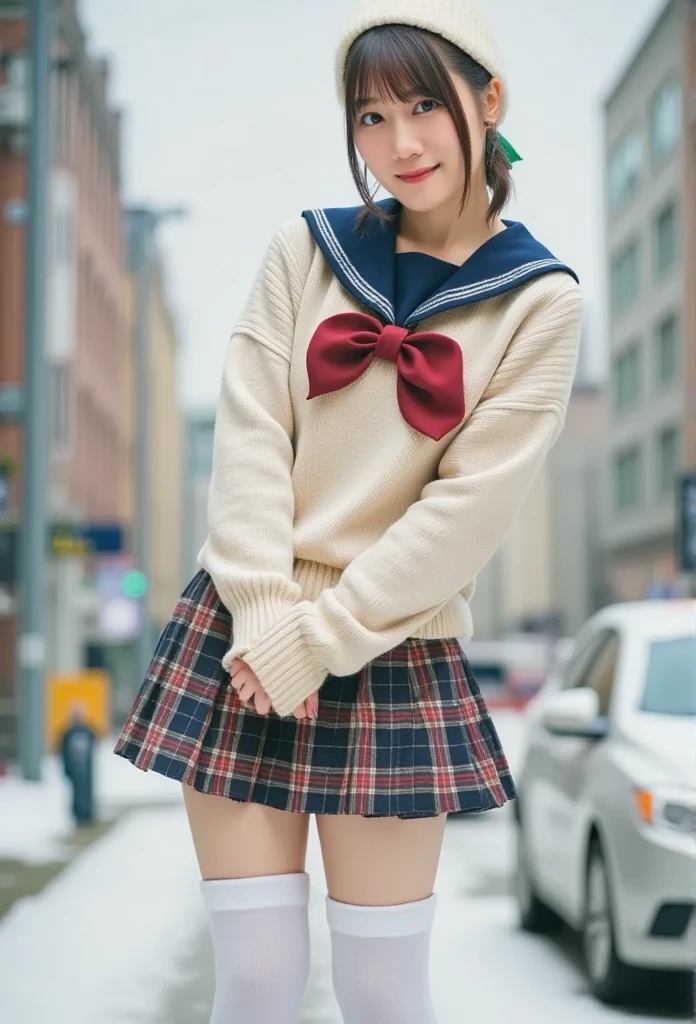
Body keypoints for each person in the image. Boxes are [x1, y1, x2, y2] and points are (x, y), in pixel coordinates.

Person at [115, 0, 582, 1019]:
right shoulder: (306, 249)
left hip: (392, 647)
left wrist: (321, 638)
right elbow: (247, 437)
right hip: (244, 629)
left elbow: (467, 510)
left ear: (488, 100)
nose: (399, 143)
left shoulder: (541, 300)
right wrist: (267, 611)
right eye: (369, 117)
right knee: (259, 977)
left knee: (381, 991)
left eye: (424, 104)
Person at [60, 702, 97, 827]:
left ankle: (88, 815)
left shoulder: (87, 730)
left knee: (87, 791)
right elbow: (63, 752)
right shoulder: (67, 733)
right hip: (74, 768)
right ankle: (78, 816)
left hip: (85, 768)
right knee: (76, 793)